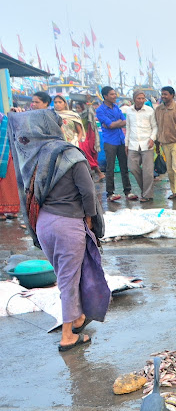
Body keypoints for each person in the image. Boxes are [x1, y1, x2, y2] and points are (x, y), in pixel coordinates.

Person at [9, 109, 111, 351]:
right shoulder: (68, 154)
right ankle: (68, 336)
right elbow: (88, 192)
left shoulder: (31, 154)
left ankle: (76, 318)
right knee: (68, 279)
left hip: (43, 224)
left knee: (65, 275)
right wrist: (89, 218)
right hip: (68, 224)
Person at [96, 86, 131, 202]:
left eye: (114, 94)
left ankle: (128, 191)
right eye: (111, 94)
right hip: (110, 141)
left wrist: (115, 123)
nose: (114, 96)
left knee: (124, 167)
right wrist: (118, 123)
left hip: (121, 140)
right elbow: (110, 125)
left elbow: (124, 122)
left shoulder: (116, 107)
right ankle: (110, 193)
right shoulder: (100, 110)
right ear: (105, 96)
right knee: (110, 168)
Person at [125, 89, 158, 202]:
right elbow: (128, 128)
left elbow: (155, 127)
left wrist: (152, 139)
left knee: (148, 171)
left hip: (146, 144)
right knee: (132, 167)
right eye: (138, 98)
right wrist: (126, 143)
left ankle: (147, 195)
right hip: (133, 144)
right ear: (134, 99)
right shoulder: (129, 111)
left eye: (143, 98)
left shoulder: (149, 111)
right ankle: (145, 189)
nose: (141, 100)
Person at [75, 100, 104, 182]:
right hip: (83, 138)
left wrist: (88, 101)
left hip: (85, 138)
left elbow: (89, 111)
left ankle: (99, 174)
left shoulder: (85, 116)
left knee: (88, 157)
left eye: (79, 108)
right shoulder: (75, 116)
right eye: (76, 108)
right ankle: (95, 175)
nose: (77, 110)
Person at [0, 111, 19, 218]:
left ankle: (12, 210)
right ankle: (1, 212)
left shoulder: (5, 119)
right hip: (7, 154)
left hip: (6, 155)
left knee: (9, 184)